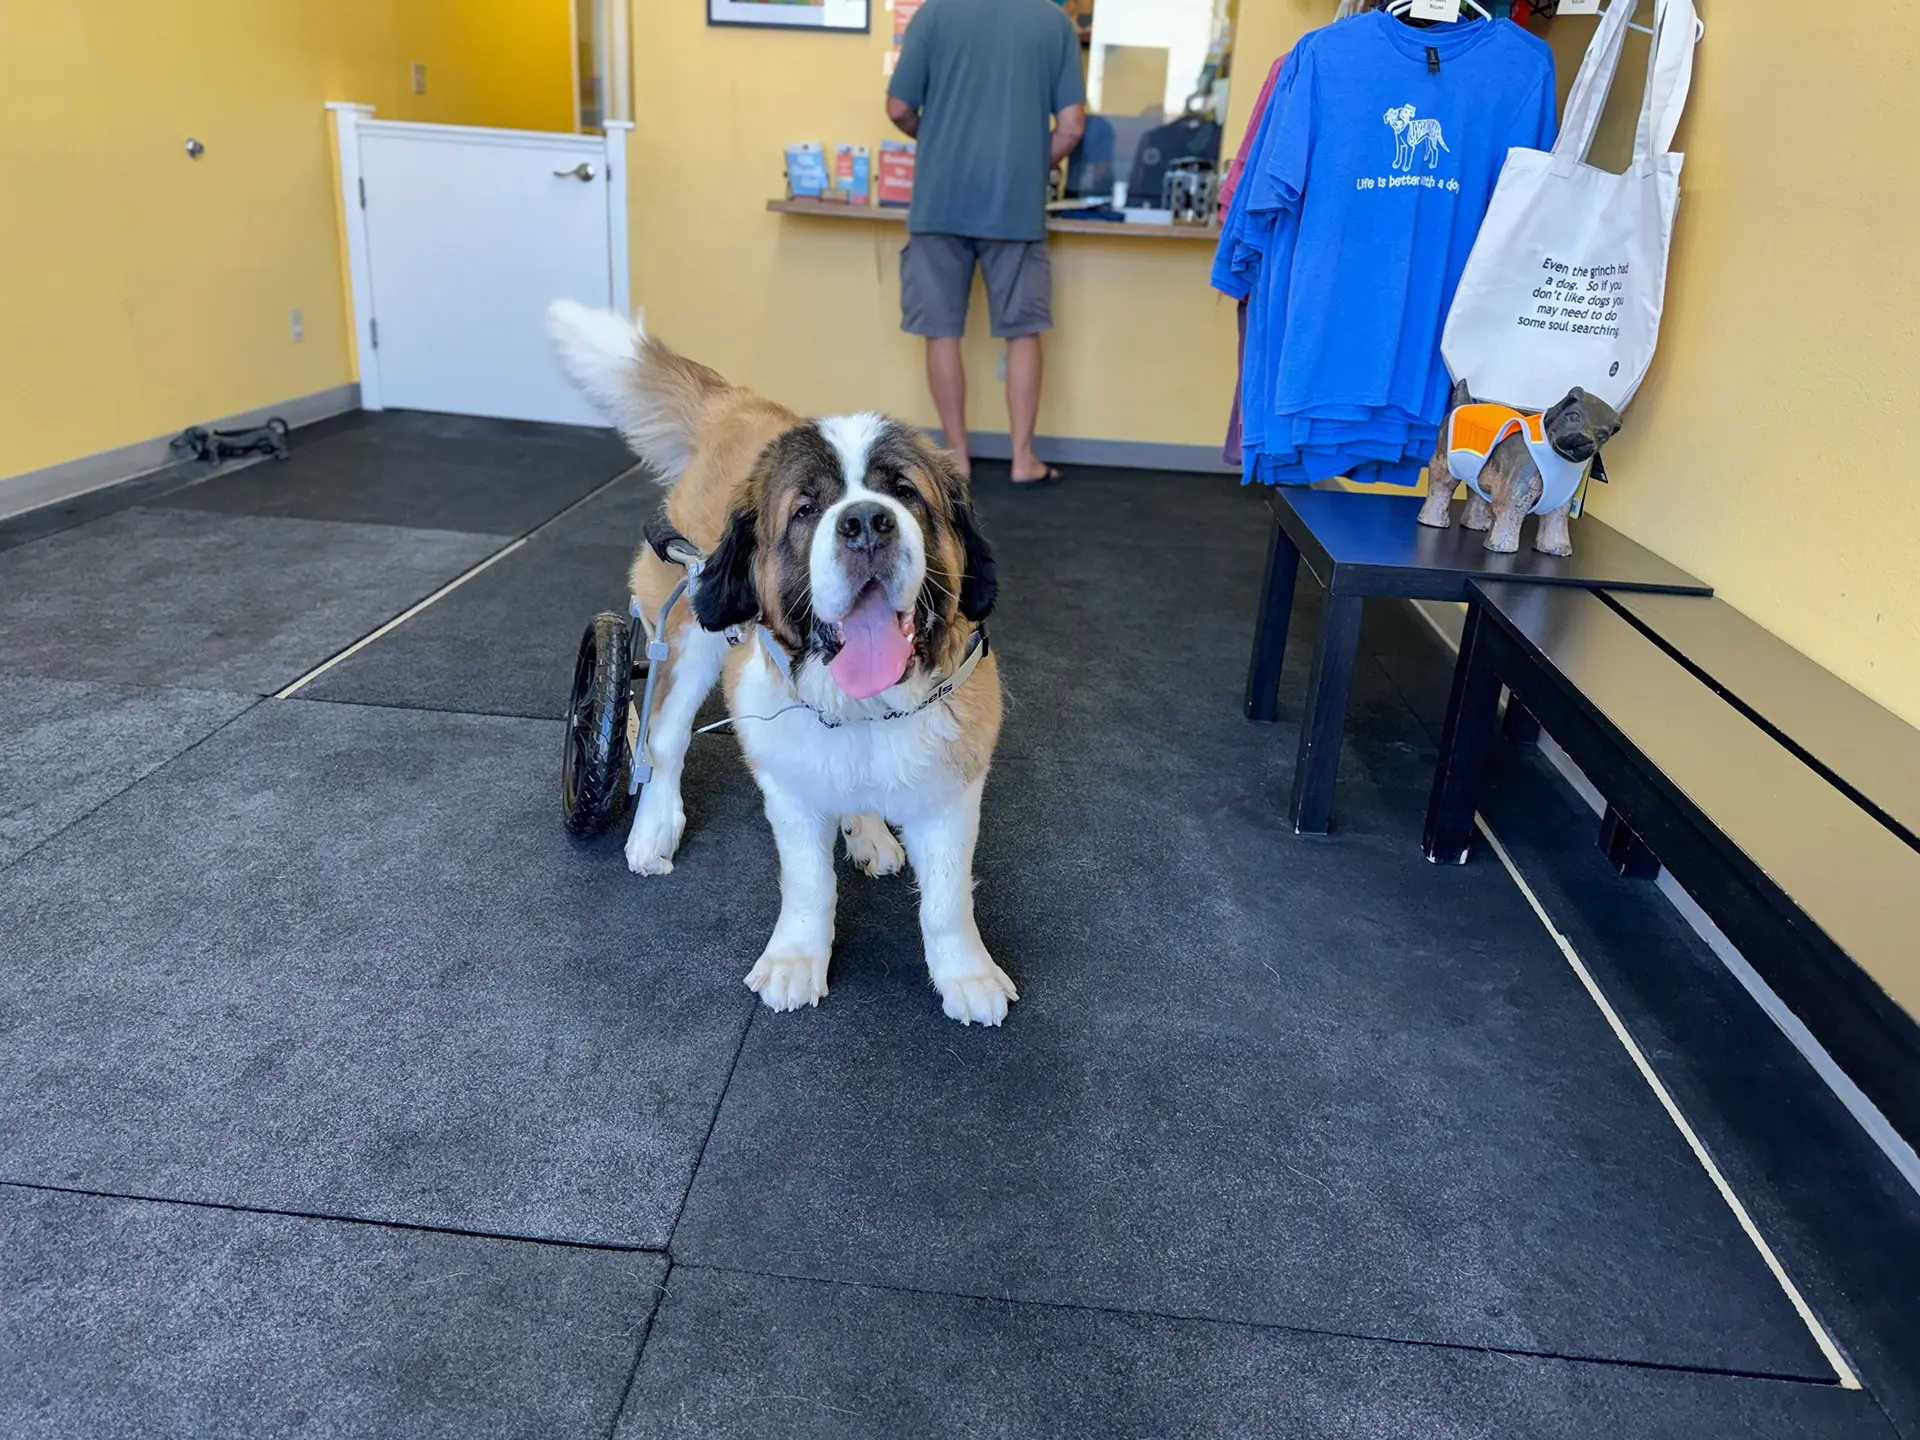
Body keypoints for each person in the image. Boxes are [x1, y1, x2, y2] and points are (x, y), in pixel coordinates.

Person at [886, 0, 1086, 486]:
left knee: (942, 331)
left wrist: (933, 138)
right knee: (1023, 331)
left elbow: (897, 108)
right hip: (1016, 206)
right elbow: (1073, 127)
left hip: (939, 200)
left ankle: (957, 459)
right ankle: (1024, 459)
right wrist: (1030, 162)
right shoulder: (1054, 22)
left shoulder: (934, 14)